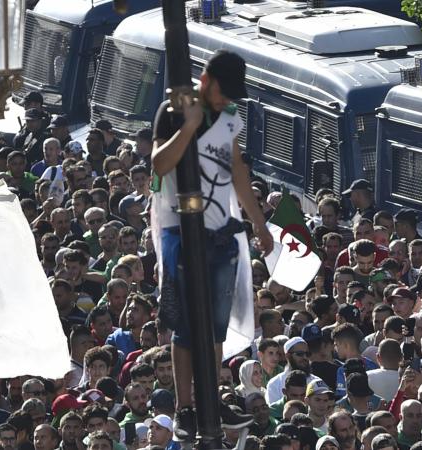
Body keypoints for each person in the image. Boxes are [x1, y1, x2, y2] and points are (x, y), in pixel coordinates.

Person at [150, 49, 271, 438]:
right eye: (223, 91)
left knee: (216, 326)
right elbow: (158, 164)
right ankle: (186, 407)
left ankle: (212, 398)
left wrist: (259, 224)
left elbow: (237, 170)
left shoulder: (231, 117)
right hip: (180, 233)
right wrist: (188, 128)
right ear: (207, 80)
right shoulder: (172, 112)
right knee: (186, 327)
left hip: (222, 233)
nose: (227, 99)